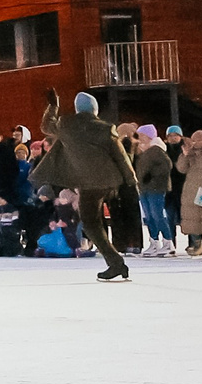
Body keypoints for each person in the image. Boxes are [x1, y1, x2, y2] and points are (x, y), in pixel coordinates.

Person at [37, 89, 137, 281]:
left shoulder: (67, 124)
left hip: (88, 183)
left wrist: (53, 106)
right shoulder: (106, 128)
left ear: (77, 109)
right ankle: (116, 261)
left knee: (90, 223)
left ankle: (116, 263)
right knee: (95, 220)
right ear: (95, 110)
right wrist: (131, 179)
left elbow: (46, 126)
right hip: (108, 181)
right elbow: (120, 156)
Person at [131, 125, 176, 257]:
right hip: (144, 188)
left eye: (142, 135)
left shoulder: (156, 149)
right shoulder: (143, 150)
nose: (140, 138)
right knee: (149, 217)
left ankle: (168, 242)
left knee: (157, 215)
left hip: (156, 188)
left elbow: (167, 165)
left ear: (148, 136)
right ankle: (154, 242)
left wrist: (152, 175)